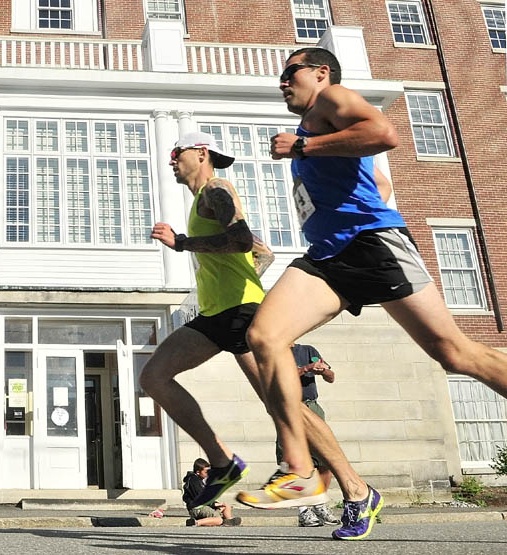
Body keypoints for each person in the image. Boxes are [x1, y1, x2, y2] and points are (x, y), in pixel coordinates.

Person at [235, 47, 507, 541]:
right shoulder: (315, 124)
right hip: (330, 254)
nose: (281, 83)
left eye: (288, 73)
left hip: (372, 247)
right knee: (264, 336)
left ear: (320, 73)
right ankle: (299, 468)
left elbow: (384, 134)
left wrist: (303, 150)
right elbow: (377, 180)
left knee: (456, 354)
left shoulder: (330, 100)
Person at [140, 130, 274, 511]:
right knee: (153, 377)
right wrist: (226, 284)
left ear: (200, 154)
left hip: (242, 313)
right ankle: (222, 461)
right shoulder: (202, 199)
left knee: (279, 404)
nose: (171, 161)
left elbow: (244, 240)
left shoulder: (217, 188)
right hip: (217, 313)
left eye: (175, 152)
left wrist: (182, 243)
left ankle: (353, 488)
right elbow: (265, 255)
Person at [276, 343, 339, 527]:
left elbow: (331, 377)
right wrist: (306, 369)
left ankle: (319, 503)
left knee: (326, 459)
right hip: (289, 408)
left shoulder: (308, 350)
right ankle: (303, 511)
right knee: (294, 461)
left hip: (313, 407)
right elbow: (280, 378)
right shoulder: (275, 351)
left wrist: (323, 371)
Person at [182, 458, 242, 527]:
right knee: (219, 520)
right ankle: (196, 522)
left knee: (226, 506)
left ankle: (228, 521)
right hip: (197, 508)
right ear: (198, 472)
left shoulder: (199, 480)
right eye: (206, 472)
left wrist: (216, 503)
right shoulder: (193, 480)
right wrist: (214, 504)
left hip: (204, 506)